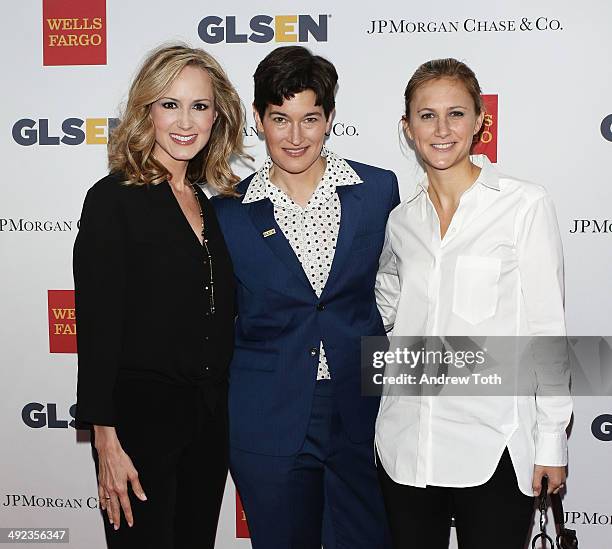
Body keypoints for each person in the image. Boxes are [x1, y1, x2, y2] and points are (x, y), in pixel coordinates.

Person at [375, 58, 573, 548]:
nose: (442, 130)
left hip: (492, 448)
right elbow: (389, 307)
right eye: (426, 116)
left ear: (480, 121)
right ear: (407, 127)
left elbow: (548, 331)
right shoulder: (401, 221)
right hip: (406, 448)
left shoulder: (523, 204)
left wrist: (550, 440)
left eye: (456, 114)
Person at [212, 45, 399, 548]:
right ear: (258, 118)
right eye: (280, 119)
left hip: (362, 411)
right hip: (267, 416)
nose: (295, 137)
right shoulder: (228, 212)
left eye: (309, 119)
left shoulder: (379, 190)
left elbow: (398, 293)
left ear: (330, 118)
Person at [73, 44, 247, 548]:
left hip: (207, 423)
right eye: (170, 104)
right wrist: (106, 439)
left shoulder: (206, 202)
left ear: (218, 116)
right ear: (146, 110)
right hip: (138, 426)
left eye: (200, 106)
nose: (185, 121)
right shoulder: (112, 200)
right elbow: (98, 326)